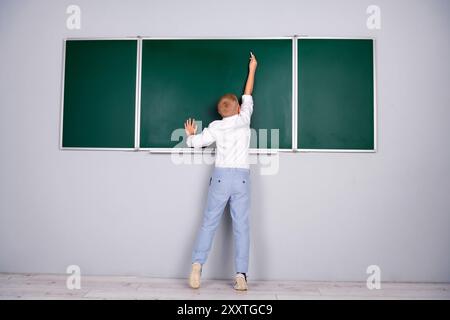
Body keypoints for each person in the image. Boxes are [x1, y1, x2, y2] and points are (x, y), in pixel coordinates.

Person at [185, 52, 257, 291]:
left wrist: (191, 134)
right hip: (241, 178)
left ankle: (197, 265)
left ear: (220, 112)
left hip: (220, 177)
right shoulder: (244, 119)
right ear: (238, 109)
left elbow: (195, 144)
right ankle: (241, 276)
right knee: (242, 227)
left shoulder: (215, 126)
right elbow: (248, 94)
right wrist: (253, 68)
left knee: (208, 223)